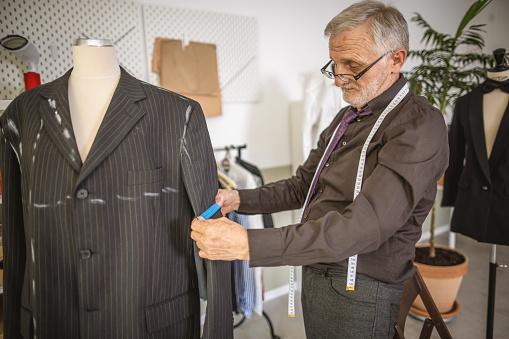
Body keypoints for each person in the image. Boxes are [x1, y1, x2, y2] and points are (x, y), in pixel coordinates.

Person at [191, 1, 448, 338]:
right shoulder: (348, 117)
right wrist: (238, 199)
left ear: (396, 60)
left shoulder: (418, 126)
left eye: (352, 66)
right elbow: (303, 185)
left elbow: (364, 225)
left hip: (360, 289)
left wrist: (249, 244)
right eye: (334, 65)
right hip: (318, 270)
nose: (339, 80)